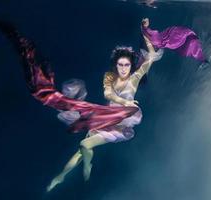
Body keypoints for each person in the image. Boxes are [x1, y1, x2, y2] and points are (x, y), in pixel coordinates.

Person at [46, 18, 162, 191]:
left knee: (85, 145)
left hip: (121, 124)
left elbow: (151, 56)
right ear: (116, 65)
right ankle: (60, 177)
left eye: (127, 65)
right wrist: (125, 101)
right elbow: (108, 94)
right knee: (81, 149)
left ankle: (88, 166)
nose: (123, 68)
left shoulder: (134, 78)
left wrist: (144, 30)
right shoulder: (109, 77)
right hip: (106, 118)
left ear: (131, 66)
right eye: (120, 64)